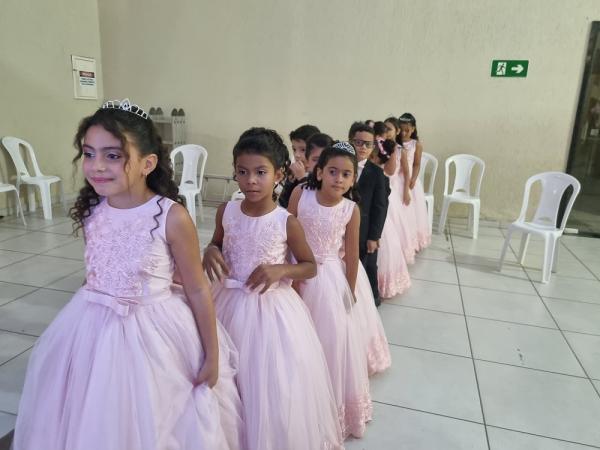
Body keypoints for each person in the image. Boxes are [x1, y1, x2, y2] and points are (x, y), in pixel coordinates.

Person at [13, 99, 244, 450]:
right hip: (91, 324)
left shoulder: (171, 216)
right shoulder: (93, 210)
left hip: (154, 332)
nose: (96, 166)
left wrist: (213, 355)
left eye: (113, 155)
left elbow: (197, 289)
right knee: (92, 415)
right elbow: (97, 269)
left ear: (147, 163)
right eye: (89, 154)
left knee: (153, 419)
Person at [203, 128, 343, 450]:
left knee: (266, 383)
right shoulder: (227, 211)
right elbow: (217, 243)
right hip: (227, 302)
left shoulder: (286, 221)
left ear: (278, 174)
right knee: (228, 378)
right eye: (242, 172)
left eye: (260, 172)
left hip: (271, 313)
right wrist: (211, 249)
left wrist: (282, 269)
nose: (251, 180)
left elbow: (310, 265)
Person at [288, 142, 372, 439]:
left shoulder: (351, 209)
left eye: (346, 174)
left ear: (353, 180)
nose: (339, 179)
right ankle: (298, 399)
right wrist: (287, 275)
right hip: (297, 272)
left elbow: (350, 255)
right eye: (333, 171)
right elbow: (285, 232)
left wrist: (349, 294)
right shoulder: (301, 193)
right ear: (320, 172)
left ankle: (329, 404)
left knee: (331, 340)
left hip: (330, 281)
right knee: (296, 337)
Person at [349, 121, 389, 305]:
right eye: (358, 142)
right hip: (342, 225)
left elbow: (380, 207)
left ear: (373, 146)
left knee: (368, 265)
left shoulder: (377, 174)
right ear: (350, 141)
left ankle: (372, 298)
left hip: (365, 230)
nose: (363, 147)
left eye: (368, 144)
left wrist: (374, 236)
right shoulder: (340, 167)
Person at [398, 112, 431, 250]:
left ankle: (412, 241)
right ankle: (399, 237)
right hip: (397, 179)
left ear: (413, 129)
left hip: (410, 180)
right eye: (402, 130)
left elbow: (416, 164)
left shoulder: (416, 144)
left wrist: (413, 178)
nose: (404, 133)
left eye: (408, 130)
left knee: (411, 211)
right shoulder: (395, 143)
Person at [277, 124, 320, 208]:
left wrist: (302, 178)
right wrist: (290, 181)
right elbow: (284, 202)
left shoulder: (320, 173)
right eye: (294, 149)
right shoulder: (294, 169)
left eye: (303, 150)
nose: (297, 155)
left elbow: (313, 204)